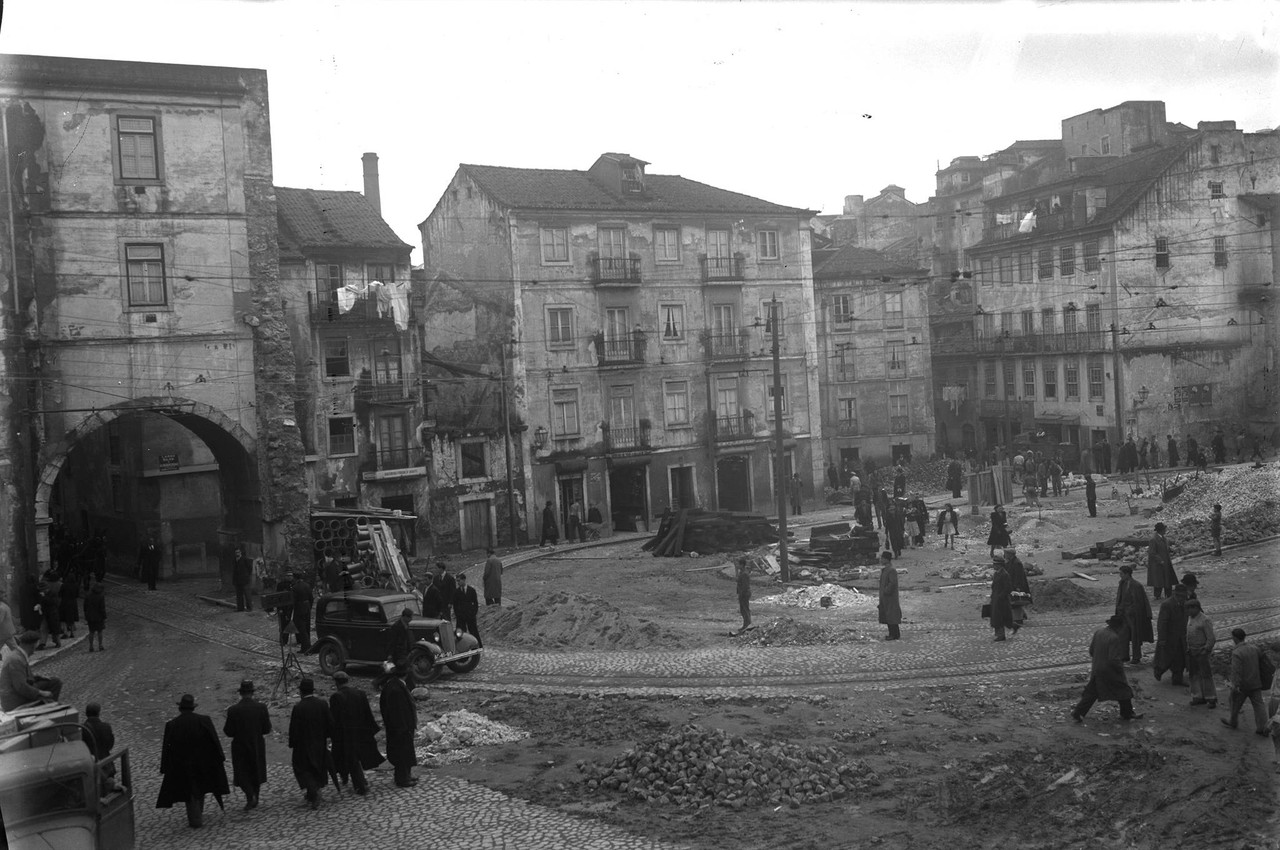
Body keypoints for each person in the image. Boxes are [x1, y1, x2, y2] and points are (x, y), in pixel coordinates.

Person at [156, 693, 229, 828]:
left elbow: (167, 748)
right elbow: (214, 741)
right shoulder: (204, 720)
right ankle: (197, 816)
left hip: (182, 765)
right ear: (193, 708)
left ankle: (195, 818)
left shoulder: (172, 725)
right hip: (202, 763)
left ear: (180, 708)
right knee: (199, 789)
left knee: (190, 791)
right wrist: (219, 758)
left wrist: (165, 767)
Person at [1071, 615, 1144, 723]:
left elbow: (1091, 651)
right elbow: (1114, 659)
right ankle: (1127, 713)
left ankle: (1078, 712)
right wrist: (1120, 670)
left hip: (1097, 668)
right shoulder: (1114, 637)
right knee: (1124, 690)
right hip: (1109, 671)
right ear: (1119, 627)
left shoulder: (1099, 632)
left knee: (1092, 693)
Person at [329, 671, 384, 795]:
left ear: (336, 683)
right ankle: (359, 783)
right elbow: (367, 714)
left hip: (346, 734)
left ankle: (360, 785)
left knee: (350, 759)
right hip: (361, 731)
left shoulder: (336, 697)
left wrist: (332, 734)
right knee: (356, 758)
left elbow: (334, 718)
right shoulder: (360, 694)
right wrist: (371, 730)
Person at [223, 680, 271, 810]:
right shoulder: (261, 708)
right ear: (252, 693)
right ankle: (255, 795)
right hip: (257, 744)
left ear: (241, 693)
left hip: (240, 746)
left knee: (242, 772)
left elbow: (228, 731)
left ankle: (250, 796)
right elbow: (267, 729)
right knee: (256, 770)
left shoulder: (233, 710)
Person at [287, 677, 333, 810]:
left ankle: (313, 790)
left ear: (301, 692)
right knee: (318, 767)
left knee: (303, 769)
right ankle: (313, 792)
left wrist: (292, 743)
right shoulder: (322, 704)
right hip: (319, 742)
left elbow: (294, 728)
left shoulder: (298, 707)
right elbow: (330, 723)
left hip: (303, 745)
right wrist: (328, 737)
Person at [0, 631, 62, 710]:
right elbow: (21, 687)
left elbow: (22, 677)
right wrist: (40, 692)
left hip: (14, 693)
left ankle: (48, 705)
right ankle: (48, 709)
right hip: (13, 699)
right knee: (52, 690)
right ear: (32, 645)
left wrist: (37, 677)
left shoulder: (18, 655)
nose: (34, 651)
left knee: (55, 681)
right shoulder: (16, 660)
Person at [379, 662, 418, 787]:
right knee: (402, 754)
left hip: (401, 727)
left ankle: (406, 775)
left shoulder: (394, 685)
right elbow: (398, 712)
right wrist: (403, 728)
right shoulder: (396, 690)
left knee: (405, 753)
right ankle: (402, 778)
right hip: (400, 728)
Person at [1223, 628, 1269, 735]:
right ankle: (1262, 727)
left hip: (1243, 685)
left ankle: (1233, 721)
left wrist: (1235, 685)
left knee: (1234, 702)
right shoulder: (1254, 648)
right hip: (1256, 682)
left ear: (1234, 638)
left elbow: (1236, 671)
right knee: (1259, 705)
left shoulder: (1237, 653)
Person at [1115, 564, 1153, 664]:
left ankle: (1136, 657)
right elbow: (1120, 598)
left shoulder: (1137, 585)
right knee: (1123, 635)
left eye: (1121, 573)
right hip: (1123, 615)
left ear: (1127, 574)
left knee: (1136, 637)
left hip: (1134, 616)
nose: (1120, 575)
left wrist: (1133, 611)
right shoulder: (1122, 584)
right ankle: (1124, 656)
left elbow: (1140, 602)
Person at [1153, 584, 1190, 686]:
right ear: (1176, 595)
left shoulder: (1185, 603)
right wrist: (1162, 638)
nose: (1183, 598)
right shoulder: (1167, 604)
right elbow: (1162, 622)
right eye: (1181, 596)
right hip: (1170, 636)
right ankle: (1159, 670)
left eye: (1184, 596)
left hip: (1181, 636)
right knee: (1166, 657)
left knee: (1180, 658)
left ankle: (1177, 679)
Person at [1185, 598, 1219, 708]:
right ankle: (1198, 696)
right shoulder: (1190, 618)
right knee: (1194, 675)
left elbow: (1211, 638)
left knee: (1206, 675)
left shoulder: (1205, 620)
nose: (1188, 611)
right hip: (1192, 651)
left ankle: (1211, 698)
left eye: (1190, 609)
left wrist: (1206, 650)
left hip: (1202, 651)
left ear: (1196, 608)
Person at [1146, 522, 1178, 600]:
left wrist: (1171, 550)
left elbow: (1165, 548)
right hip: (1158, 564)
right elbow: (1152, 553)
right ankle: (1157, 595)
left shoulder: (1164, 538)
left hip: (1166, 562)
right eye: (1164, 529)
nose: (1165, 530)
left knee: (1168, 579)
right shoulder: (1153, 540)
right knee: (1159, 581)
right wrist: (1160, 560)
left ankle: (1168, 594)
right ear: (1161, 530)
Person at [989, 553, 1015, 641]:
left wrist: (1000, 596)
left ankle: (1001, 634)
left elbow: (1008, 588)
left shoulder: (1004, 574)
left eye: (995, 564)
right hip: (996, 598)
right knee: (996, 617)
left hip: (1002, 600)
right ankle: (999, 633)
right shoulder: (996, 574)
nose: (993, 566)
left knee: (1000, 618)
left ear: (999, 565)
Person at [1004, 548, 1031, 630]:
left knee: (1017, 602)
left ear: (1010, 554)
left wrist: (1016, 587)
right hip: (1012, 585)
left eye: (1006, 553)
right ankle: (1021, 615)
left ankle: (1019, 619)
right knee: (1015, 603)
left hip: (1017, 586)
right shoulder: (1011, 562)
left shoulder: (1016, 563)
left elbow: (1018, 577)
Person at [877, 551, 901, 641]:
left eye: (882, 558)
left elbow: (892, 583)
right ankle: (892, 633)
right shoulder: (886, 569)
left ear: (886, 559)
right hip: (886, 597)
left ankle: (894, 634)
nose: (881, 560)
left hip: (890, 597)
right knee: (888, 615)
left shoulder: (891, 570)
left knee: (892, 616)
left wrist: (886, 591)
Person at [453, 572, 481, 648]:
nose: (458, 583)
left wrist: (473, 613)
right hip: (461, 616)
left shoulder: (471, 590)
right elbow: (455, 605)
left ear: (464, 580)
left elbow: (475, 603)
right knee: (460, 633)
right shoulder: (456, 592)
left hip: (470, 615)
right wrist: (458, 614)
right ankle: (460, 648)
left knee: (473, 631)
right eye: (457, 581)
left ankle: (478, 646)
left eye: (459, 581)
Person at [291, 572, 314, 652]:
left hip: (299, 608)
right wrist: (309, 607)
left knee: (301, 628)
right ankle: (307, 644)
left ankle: (306, 646)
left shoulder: (295, 587)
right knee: (307, 627)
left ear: (295, 578)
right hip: (307, 607)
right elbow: (311, 598)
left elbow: (293, 600)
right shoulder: (307, 585)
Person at [38, 574, 62, 649]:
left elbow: (54, 602)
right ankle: (42, 643)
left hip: (52, 613)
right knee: (43, 628)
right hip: (45, 613)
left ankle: (57, 642)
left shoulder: (52, 594)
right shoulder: (42, 594)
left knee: (55, 630)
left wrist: (44, 597)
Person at [83, 581, 106, 652]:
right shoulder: (101, 596)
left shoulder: (88, 595)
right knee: (100, 631)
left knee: (91, 631)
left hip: (90, 616)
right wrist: (104, 617)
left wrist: (86, 615)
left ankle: (91, 646)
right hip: (99, 616)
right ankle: (100, 645)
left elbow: (85, 606)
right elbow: (102, 608)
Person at [274, 572, 295, 647]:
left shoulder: (293, 584)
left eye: (291, 576)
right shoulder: (281, 585)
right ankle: (283, 640)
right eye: (288, 576)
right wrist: (279, 608)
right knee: (283, 625)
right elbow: (278, 597)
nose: (290, 577)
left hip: (291, 607)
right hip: (283, 608)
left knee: (289, 624)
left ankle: (286, 640)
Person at [58, 572, 80, 638]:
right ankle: (72, 633)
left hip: (64, 602)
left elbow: (60, 594)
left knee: (63, 618)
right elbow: (77, 595)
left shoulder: (64, 585)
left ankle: (65, 633)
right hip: (73, 603)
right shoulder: (76, 585)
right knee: (71, 618)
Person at [232, 547, 254, 612]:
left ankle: (249, 608)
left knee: (247, 594)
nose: (237, 553)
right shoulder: (234, 560)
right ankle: (240, 608)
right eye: (236, 552)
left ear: (240, 552)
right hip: (237, 580)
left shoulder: (245, 559)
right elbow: (234, 570)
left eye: (238, 552)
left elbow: (250, 568)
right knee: (239, 595)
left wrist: (247, 576)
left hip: (245, 580)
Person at [735, 556, 752, 633]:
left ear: (742, 565)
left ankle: (747, 624)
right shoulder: (741, 572)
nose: (737, 566)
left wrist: (741, 594)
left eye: (738, 564)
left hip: (744, 593)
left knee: (745, 609)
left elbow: (744, 586)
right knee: (743, 609)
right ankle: (746, 624)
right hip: (742, 592)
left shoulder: (744, 574)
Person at [0, 587, 18, 654]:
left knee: (14, 648)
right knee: (14, 648)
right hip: (7, 632)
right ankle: (22, 659)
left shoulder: (1, 608)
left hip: (3, 633)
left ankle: (21, 659)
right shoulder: (4, 605)